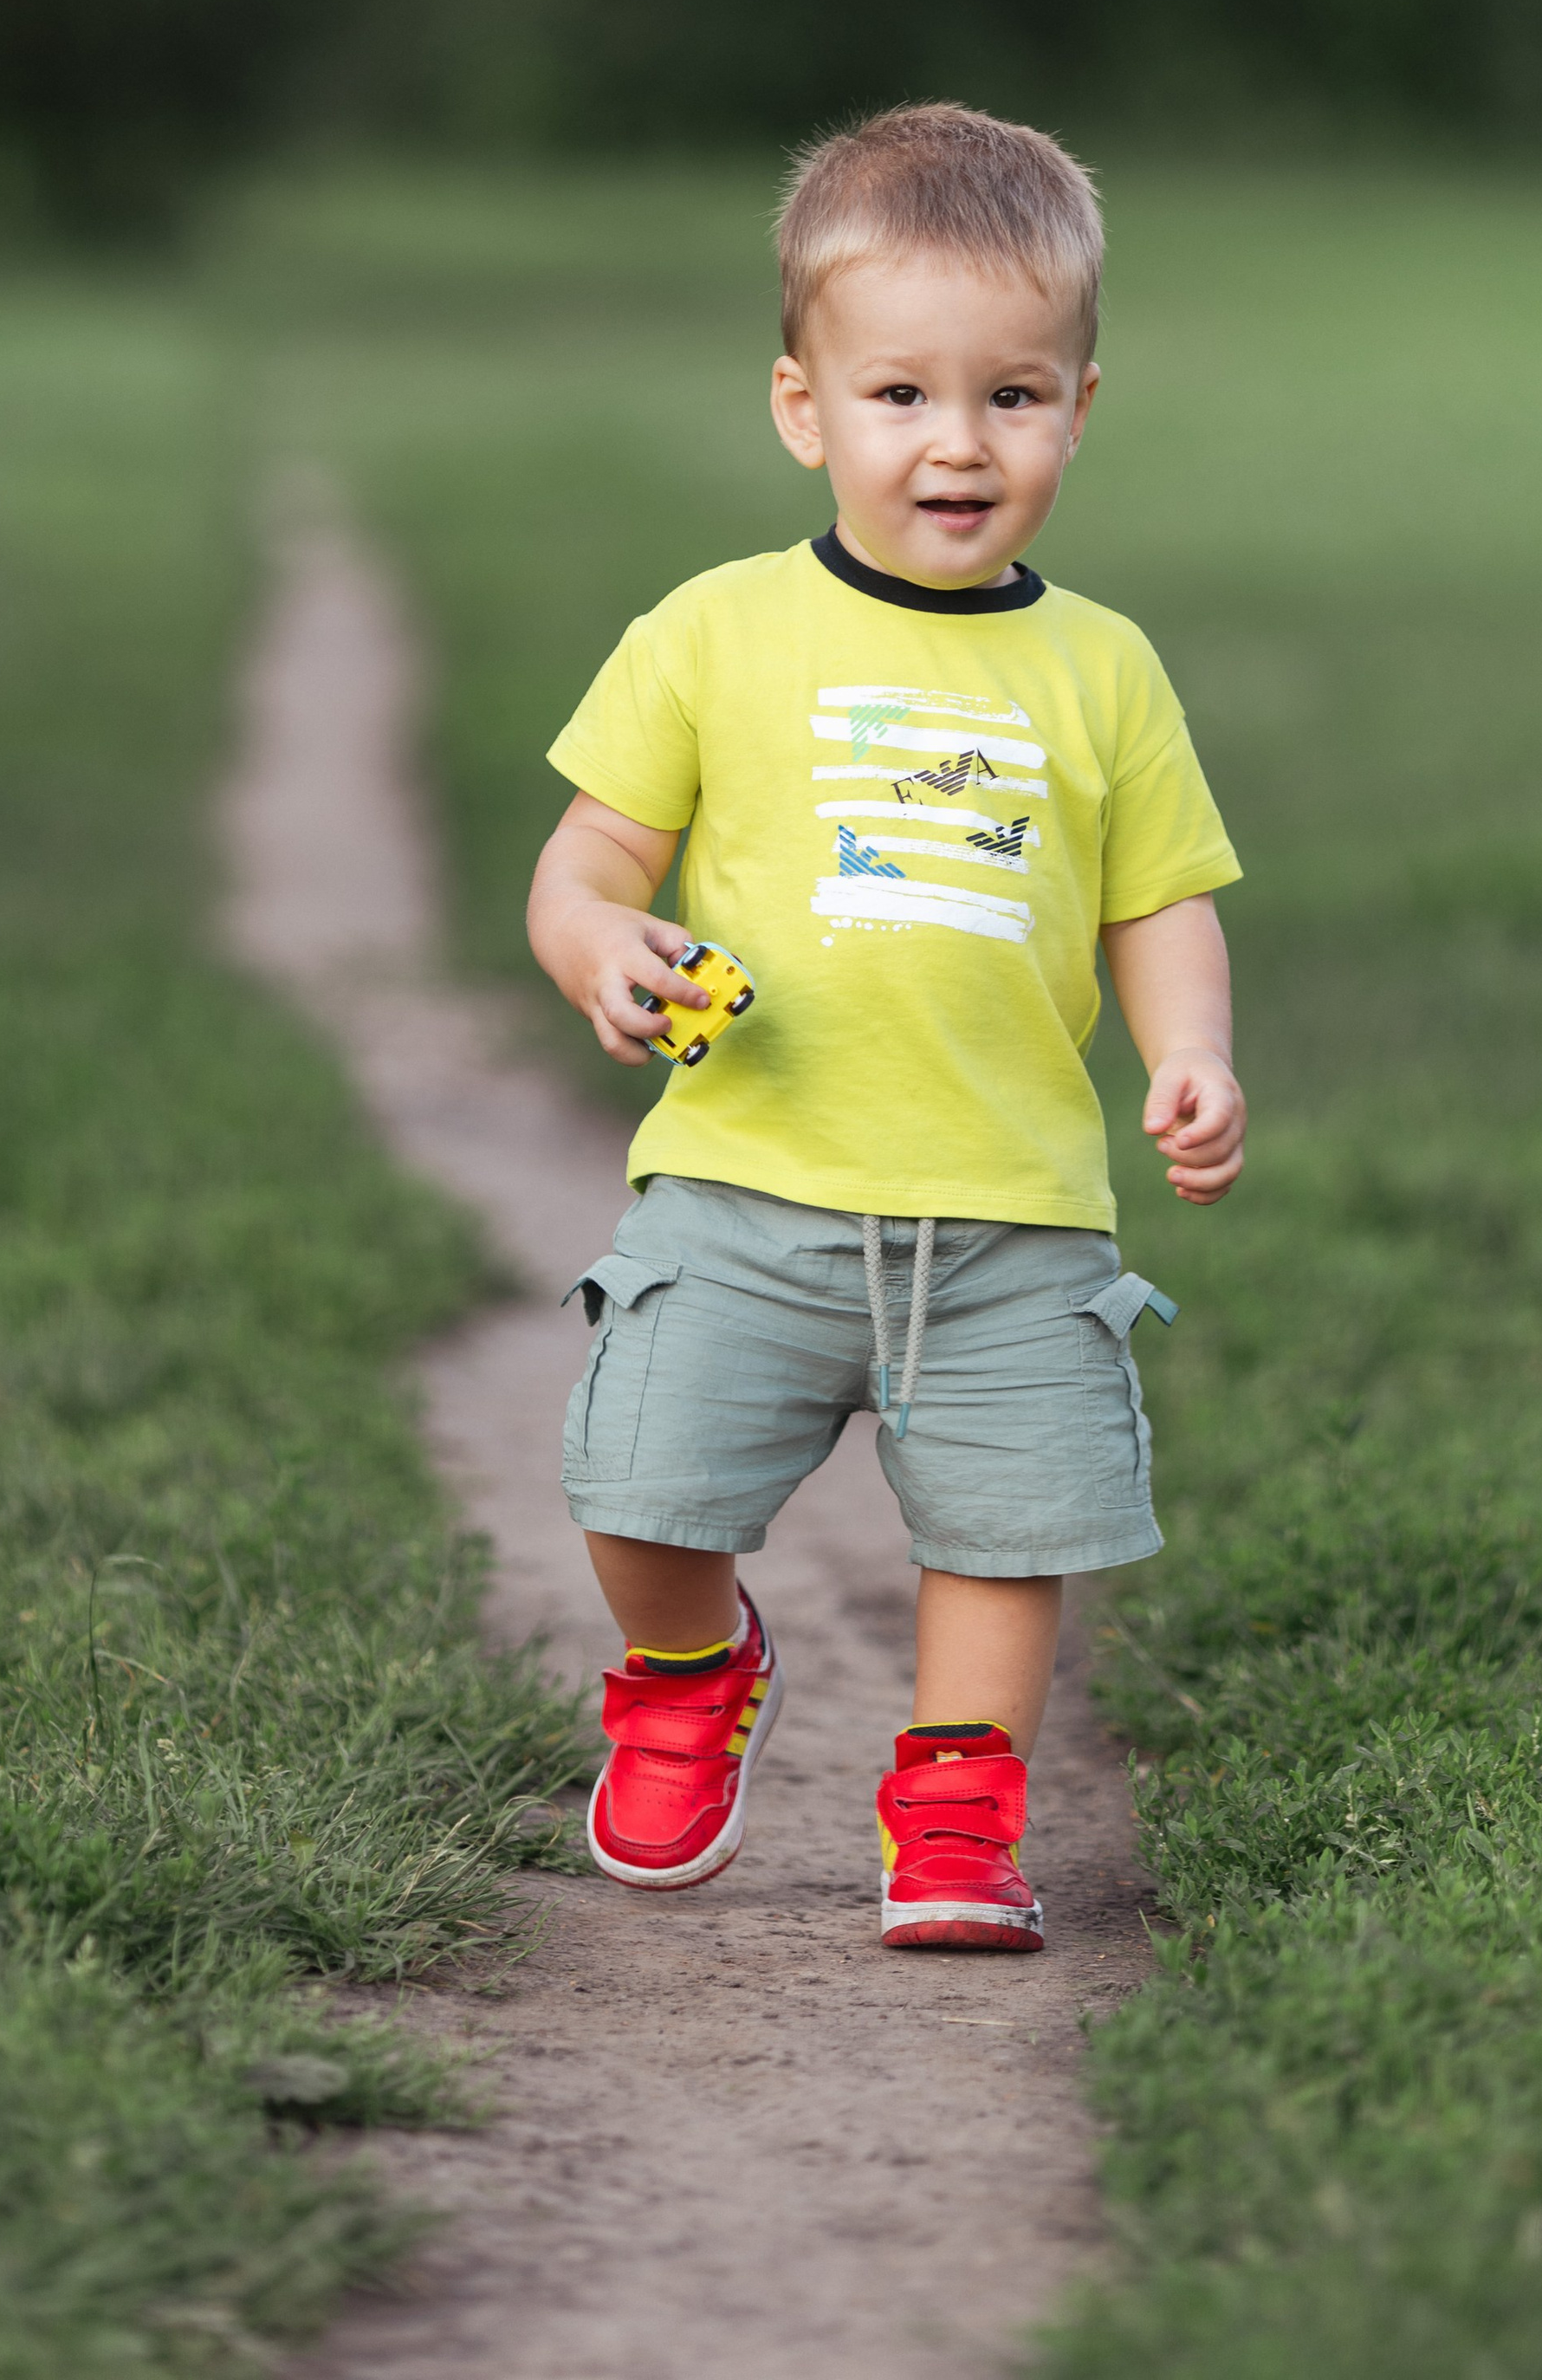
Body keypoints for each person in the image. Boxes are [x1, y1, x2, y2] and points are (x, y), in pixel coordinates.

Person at [525, 102, 1243, 1950]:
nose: (956, 442)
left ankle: (953, 1812)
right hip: (743, 1182)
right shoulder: (710, 632)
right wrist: (601, 944)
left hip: (1008, 1207)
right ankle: (688, 1671)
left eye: (1011, 396)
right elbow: (585, 857)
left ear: (1079, 408)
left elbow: (1152, 895)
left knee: (1003, 1534)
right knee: (636, 1478)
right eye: (901, 396)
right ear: (804, 410)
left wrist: (1189, 1051)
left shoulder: (1101, 666)